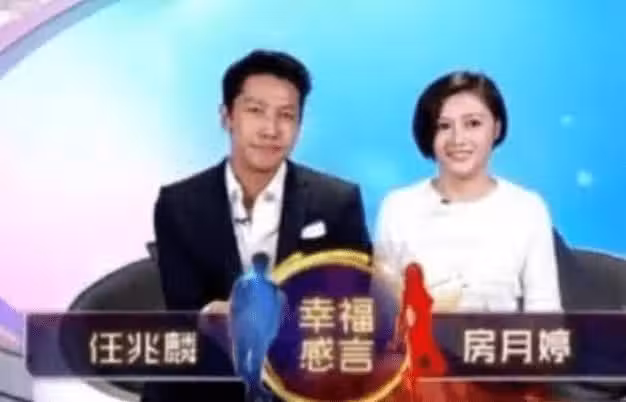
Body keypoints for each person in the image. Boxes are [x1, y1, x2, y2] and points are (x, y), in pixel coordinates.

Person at [142, 49, 371, 402]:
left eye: (286, 115)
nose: (271, 129)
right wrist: (217, 318)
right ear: (227, 117)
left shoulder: (337, 201)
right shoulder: (179, 203)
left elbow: (353, 301)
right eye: (256, 111)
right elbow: (184, 309)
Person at [375, 71, 561, 401]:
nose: (458, 139)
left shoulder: (527, 208)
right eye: (444, 126)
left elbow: (546, 316)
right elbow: (383, 312)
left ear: (496, 129)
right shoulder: (399, 207)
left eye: (473, 124)